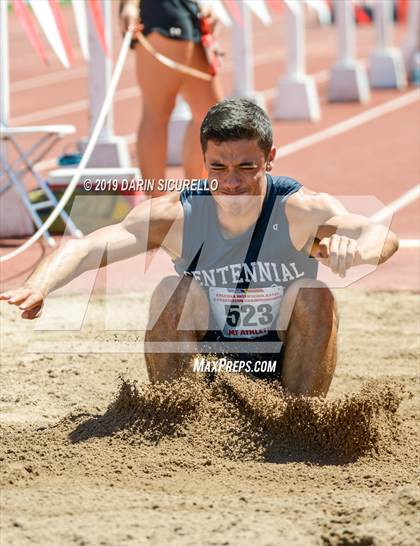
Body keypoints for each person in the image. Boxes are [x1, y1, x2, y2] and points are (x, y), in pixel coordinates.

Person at [0, 99, 398, 397]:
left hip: (283, 364)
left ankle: (301, 422)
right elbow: (87, 248)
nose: (231, 182)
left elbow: (379, 233)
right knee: (173, 291)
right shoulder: (176, 214)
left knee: (315, 294)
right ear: (203, 160)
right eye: (218, 168)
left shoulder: (300, 209)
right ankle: (176, 414)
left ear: (270, 159)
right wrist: (40, 285)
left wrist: (358, 251)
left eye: (246, 167)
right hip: (208, 366)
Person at [119, 0, 223, 196]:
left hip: (189, 9)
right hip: (161, 10)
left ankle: (196, 200)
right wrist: (130, 5)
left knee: (211, 116)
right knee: (157, 112)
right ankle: (157, 206)